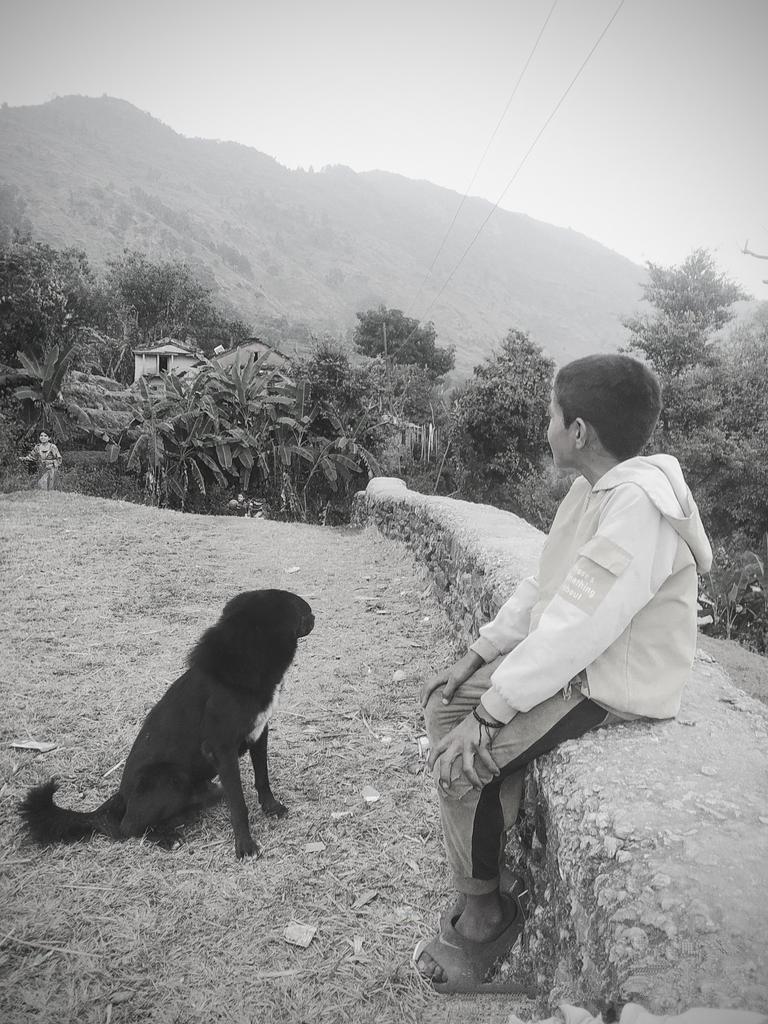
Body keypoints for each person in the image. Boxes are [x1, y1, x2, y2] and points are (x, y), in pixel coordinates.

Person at [413, 353, 713, 991]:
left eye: (551, 415)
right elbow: (543, 585)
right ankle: (485, 859)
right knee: (444, 712)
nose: (544, 428)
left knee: (464, 764)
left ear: (579, 432)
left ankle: (485, 919)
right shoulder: (592, 489)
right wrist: (476, 654)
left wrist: (491, 711)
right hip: (576, 662)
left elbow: (577, 629)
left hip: (607, 683)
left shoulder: (636, 506)